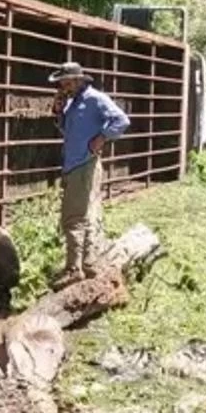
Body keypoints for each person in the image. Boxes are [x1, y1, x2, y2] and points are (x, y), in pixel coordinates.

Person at [49, 61, 130, 288]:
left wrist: (102, 137)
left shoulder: (95, 99)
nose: (62, 86)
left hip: (84, 165)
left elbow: (122, 120)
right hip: (76, 164)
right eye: (61, 83)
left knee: (73, 217)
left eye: (65, 82)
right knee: (88, 214)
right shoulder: (73, 103)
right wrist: (59, 111)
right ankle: (89, 263)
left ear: (77, 80)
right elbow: (69, 131)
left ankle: (73, 269)